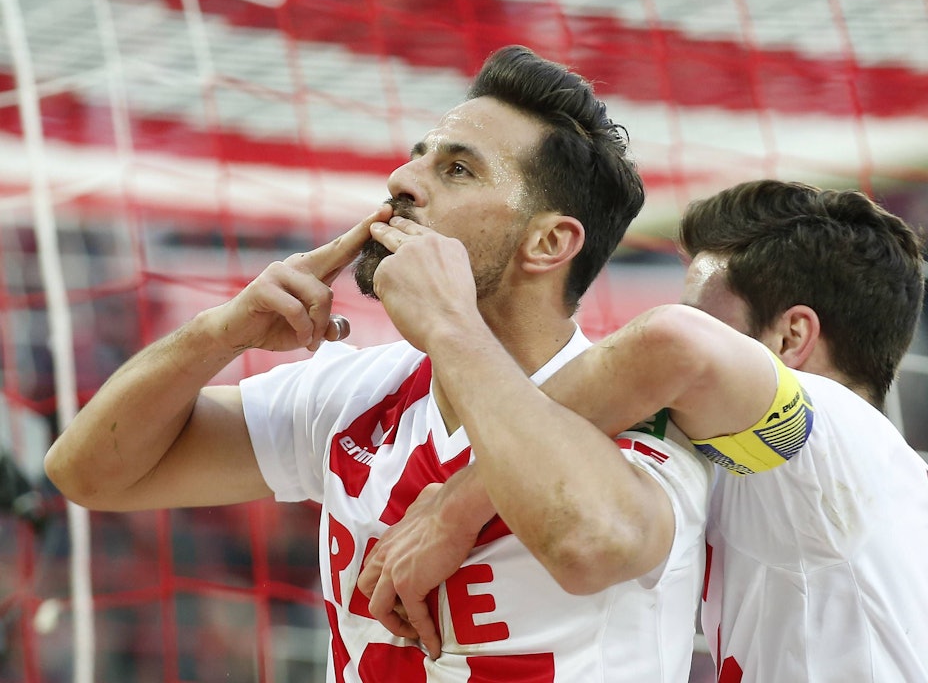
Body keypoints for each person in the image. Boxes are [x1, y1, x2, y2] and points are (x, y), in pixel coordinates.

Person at [44, 45, 715, 682]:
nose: (401, 181)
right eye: (417, 156)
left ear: (547, 242)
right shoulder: (360, 390)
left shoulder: (646, 415)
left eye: (457, 169)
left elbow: (589, 543)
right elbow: (90, 473)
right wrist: (215, 335)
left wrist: (453, 327)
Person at [360, 179, 928, 682]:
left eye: (710, 316)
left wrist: (452, 510)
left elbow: (675, 344)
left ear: (789, 339)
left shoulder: (827, 436)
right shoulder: (801, 476)